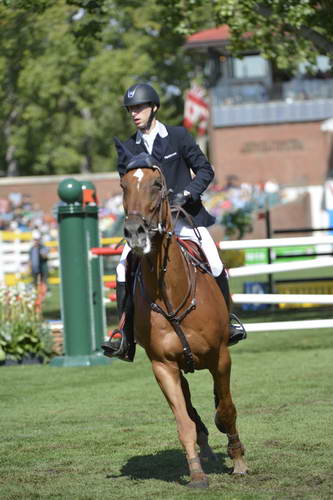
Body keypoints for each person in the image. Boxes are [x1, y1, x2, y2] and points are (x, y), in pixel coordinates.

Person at [102, 83, 246, 361]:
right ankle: (124, 333)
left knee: (214, 261)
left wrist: (189, 192)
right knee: (122, 267)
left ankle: (228, 321)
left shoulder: (178, 136)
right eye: (131, 109)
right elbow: (129, 187)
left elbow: (205, 169)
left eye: (139, 108)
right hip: (149, 224)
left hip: (184, 217)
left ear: (154, 108)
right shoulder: (129, 148)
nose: (135, 113)